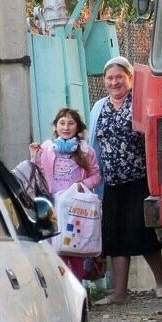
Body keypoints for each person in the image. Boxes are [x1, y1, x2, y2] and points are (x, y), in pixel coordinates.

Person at [90, 56, 162, 305]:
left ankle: (161, 281)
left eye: (119, 77)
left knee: (141, 231)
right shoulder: (99, 107)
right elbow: (92, 144)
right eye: (110, 78)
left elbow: (153, 136)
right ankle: (120, 292)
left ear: (130, 78)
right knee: (114, 235)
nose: (114, 82)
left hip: (139, 180)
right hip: (112, 182)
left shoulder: (139, 103)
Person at [29, 107, 101, 281]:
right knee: (55, 249)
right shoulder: (46, 148)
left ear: (77, 127)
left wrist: (84, 184)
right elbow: (36, 172)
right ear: (56, 126)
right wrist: (34, 156)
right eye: (62, 123)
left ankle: (79, 290)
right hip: (53, 207)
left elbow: (96, 175)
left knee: (74, 250)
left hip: (75, 209)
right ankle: (60, 290)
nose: (66, 127)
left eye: (71, 123)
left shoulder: (86, 150)